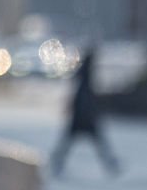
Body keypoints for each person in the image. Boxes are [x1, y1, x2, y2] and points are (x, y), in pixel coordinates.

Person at [51, 48, 120, 177]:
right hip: (85, 118)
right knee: (98, 144)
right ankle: (112, 165)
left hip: (81, 117)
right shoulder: (87, 77)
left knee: (69, 144)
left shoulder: (83, 76)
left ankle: (56, 163)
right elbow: (84, 99)